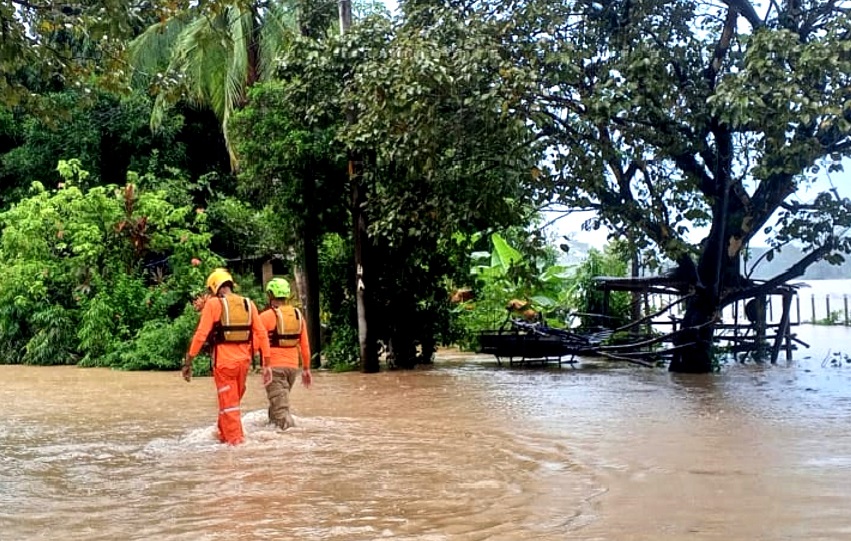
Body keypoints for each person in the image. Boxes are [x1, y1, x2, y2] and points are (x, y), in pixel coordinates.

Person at [183, 268, 271, 445]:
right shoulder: (248, 304)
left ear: (215, 288)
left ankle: (235, 446)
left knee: (230, 406)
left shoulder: (214, 305)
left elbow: (201, 334)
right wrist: (267, 363)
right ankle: (223, 435)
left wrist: (189, 361)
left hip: (224, 365)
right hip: (243, 364)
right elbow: (261, 334)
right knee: (231, 404)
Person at [257, 277, 312, 431]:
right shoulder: (297, 315)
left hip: (273, 368)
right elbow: (305, 345)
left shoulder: (266, 317)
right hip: (292, 368)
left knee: (281, 410)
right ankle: (273, 435)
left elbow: (255, 344)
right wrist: (306, 369)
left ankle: (289, 440)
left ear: (270, 295)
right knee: (278, 403)